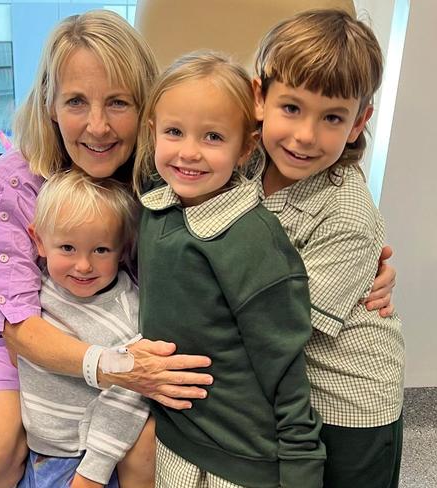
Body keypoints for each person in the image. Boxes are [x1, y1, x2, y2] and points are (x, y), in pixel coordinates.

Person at [0, 11, 213, 488]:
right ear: (50, 104)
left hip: (128, 334)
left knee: (149, 451)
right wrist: (114, 369)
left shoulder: (166, 172)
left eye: (117, 102)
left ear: (147, 110)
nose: (97, 126)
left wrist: (362, 265)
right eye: (76, 101)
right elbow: (19, 331)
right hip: (31, 346)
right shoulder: (16, 180)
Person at [134, 51, 325, 488]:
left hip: (240, 458)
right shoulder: (155, 207)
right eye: (174, 132)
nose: (189, 152)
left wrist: (301, 466)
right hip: (175, 439)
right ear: (153, 133)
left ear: (245, 148)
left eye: (213, 137)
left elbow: (284, 361)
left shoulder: (253, 238)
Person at [253, 9, 405, 488]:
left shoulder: (347, 212)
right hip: (289, 394)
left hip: (350, 406)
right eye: (292, 108)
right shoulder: (244, 163)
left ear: (359, 121)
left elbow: (282, 323)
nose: (305, 136)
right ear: (260, 97)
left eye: (332, 117)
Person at [17, 170, 148, 488]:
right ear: (39, 242)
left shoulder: (127, 315)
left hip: (82, 465)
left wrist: (92, 474)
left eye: (101, 250)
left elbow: (129, 398)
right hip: (36, 454)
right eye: (67, 248)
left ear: (122, 249)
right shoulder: (36, 289)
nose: (84, 265)